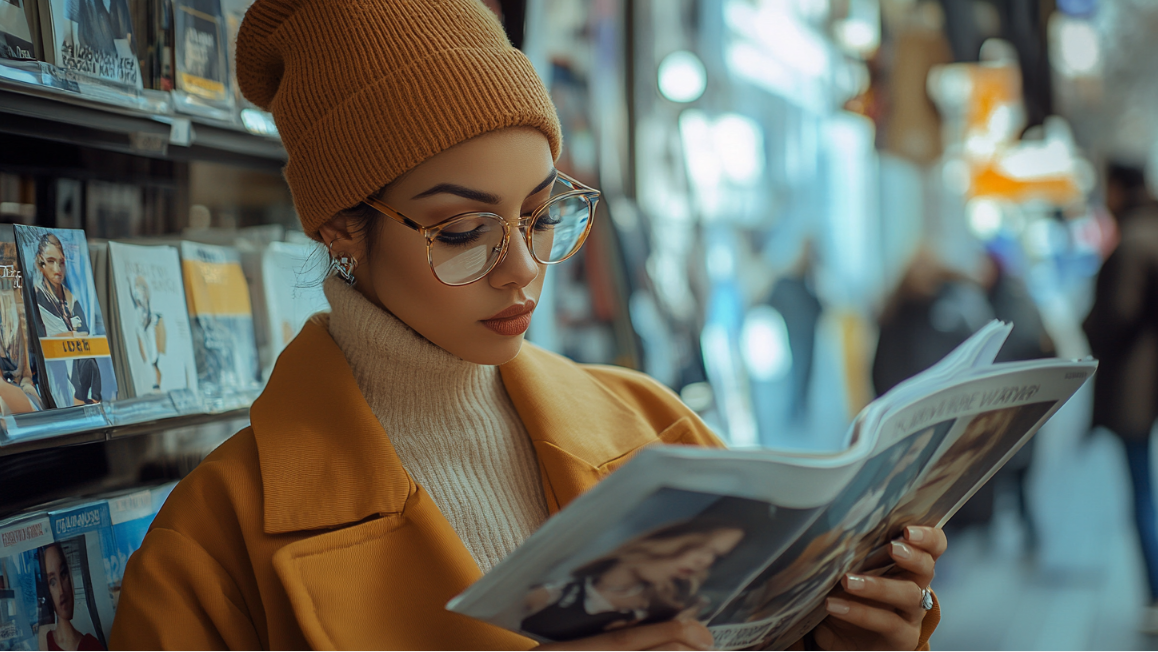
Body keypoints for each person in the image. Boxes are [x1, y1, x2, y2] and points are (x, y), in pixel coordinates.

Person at [109, 1, 946, 649]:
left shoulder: (650, 426)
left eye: (544, 214)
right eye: (464, 232)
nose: (524, 268)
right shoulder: (213, 543)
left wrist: (842, 632)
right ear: (340, 230)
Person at [1083, 161, 1158, 633]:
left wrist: (1087, 324)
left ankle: (1155, 594)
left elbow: (1115, 316)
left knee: (1142, 493)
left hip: (1137, 385)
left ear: (1117, 187)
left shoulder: (1132, 241)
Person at [32, 234, 102, 405]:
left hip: (78, 375)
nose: (57, 268)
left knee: (89, 359)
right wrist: (72, 334)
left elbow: (84, 332)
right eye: (50, 261)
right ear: (40, 263)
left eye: (61, 262)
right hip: (55, 378)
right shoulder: (36, 296)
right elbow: (43, 340)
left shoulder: (70, 297)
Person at [38, 543, 104, 651]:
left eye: (63, 573)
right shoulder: (45, 641)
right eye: (52, 582)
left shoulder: (92, 645)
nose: (61, 590)